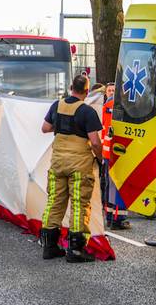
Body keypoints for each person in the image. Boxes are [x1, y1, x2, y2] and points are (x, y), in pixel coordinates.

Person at [40, 74, 104, 263]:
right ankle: (75, 250)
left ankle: (49, 247)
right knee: (79, 205)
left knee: (55, 202)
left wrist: (62, 126)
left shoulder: (56, 105)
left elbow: (45, 128)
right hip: (79, 165)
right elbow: (95, 142)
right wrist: (100, 160)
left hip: (58, 163)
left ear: (70, 88)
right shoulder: (87, 111)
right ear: (86, 90)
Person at [100, 82, 131, 231]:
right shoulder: (122, 104)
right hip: (119, 152)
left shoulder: (107, 105)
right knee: (119, 186)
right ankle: (118, 219)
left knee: (109, 186)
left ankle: (110, 217)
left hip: (107, 151)